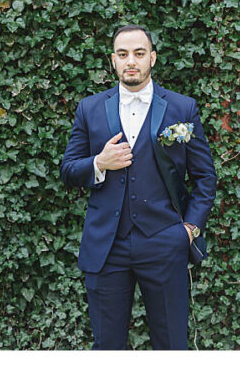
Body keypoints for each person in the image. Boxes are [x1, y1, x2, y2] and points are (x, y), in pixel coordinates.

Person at [60, 25, 217, 350]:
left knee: (172, 345)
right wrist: (99, 164)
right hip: (107, 247)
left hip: (164, 243)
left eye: (139, 53)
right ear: (113, 61)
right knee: (107, 348)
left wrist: (189, 229)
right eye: (123, 54)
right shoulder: (89, 108)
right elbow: (68, 171)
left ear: (152, 58)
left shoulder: (181, 108)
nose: (131, 61)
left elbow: (205, 178)